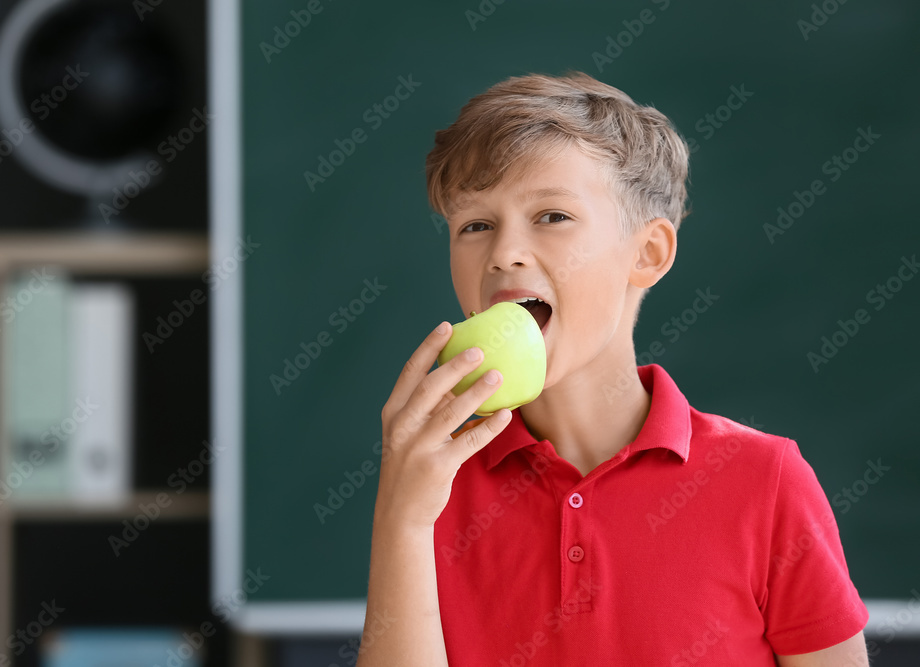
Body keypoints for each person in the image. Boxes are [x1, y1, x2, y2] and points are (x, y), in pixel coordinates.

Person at [357, 71, 869, 666]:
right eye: (475, 226)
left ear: (648, 254)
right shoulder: (433, 487)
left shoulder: (766, 481)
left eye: (552, 216)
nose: (502, 254)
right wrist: (405, 521)